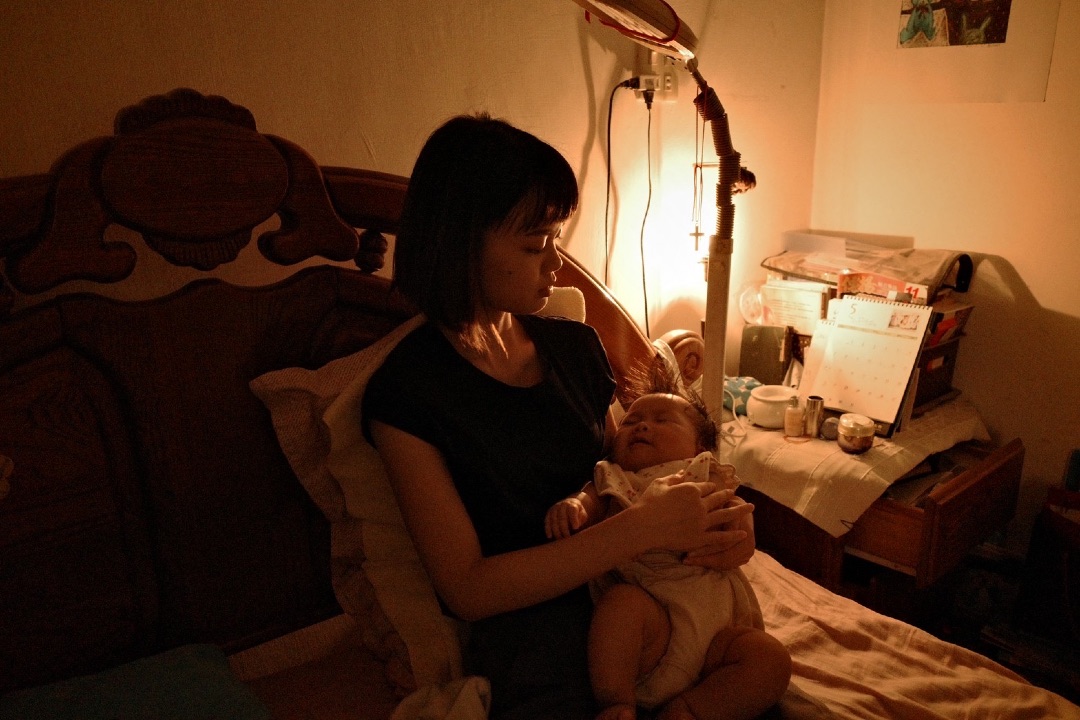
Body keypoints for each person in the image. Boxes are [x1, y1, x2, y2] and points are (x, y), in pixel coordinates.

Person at [361, 112, 758, 720]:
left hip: (656, 599)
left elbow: (630, 471)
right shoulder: (409, 393)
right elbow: (467, 589)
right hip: (543, 635)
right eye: (533, 245)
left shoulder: (575, 348)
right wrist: (640, 530)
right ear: (462, 243)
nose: (556, 264)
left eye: (555, 239)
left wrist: (723, 526)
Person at [545, 372, 792, 720]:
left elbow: (734, 509)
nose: (643, 426)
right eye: (632, 421)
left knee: (771, 658)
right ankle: (617, 701)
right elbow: (591, 502)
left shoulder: (703, 472)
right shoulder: (613, 476)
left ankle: (690, 709)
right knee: (620, 607)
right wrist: (575, 505)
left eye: (662, 420)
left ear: (699, 448)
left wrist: (740, 523)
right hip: (652, 625)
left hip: (717, 636)